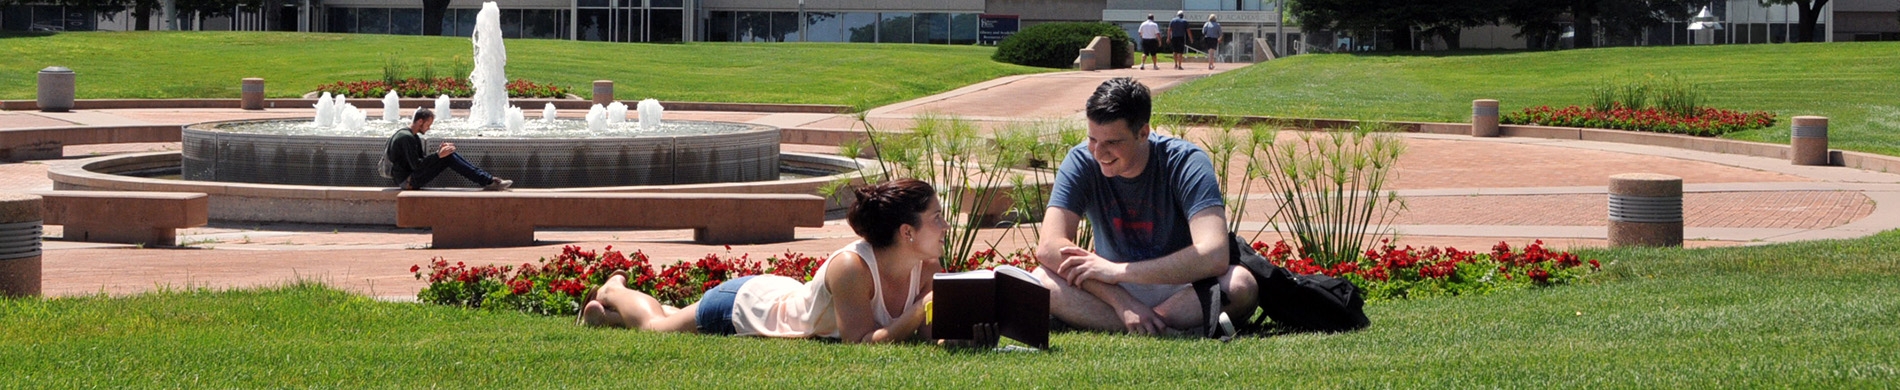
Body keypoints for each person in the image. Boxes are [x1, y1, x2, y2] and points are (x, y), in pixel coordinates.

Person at [581, 179, 980, 345]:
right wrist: (915, 315)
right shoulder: (852, 269)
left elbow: (925, 336)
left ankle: (607, 318)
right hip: (744, 308)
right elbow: (862, 343)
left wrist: (965, 333)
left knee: (672, 314)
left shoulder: (927, 264)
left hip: (781, 294)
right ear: (906, 233)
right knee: (658, 326)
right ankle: (616, 291)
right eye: (936, 218)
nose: (946, 226)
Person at [1034, 77, 1257, 336]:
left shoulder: (1186, 162)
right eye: (1093, 139)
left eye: (1112, 143)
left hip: (1180, 285)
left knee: (1241, 284)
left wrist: (1118, 271)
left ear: (1143, 133)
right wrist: (1123, 302)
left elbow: (1214, 255)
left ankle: (1143, 323)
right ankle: (1151, 326)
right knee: (1041, 281)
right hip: (1113, 288)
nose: (1099, 153)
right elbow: (1049, 246)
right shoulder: (1081, 160)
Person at [384, 108, 512, 191]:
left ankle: (488, 180)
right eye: (428, 125)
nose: (429, 128)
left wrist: (439, 153)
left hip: (409, 177)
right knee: (448, 157)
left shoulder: (413, 136)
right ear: (420, 121)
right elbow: (417, 166)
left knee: (448, 154)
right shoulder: (406, 138)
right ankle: (488, 181)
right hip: (407, 181)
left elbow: (420, 162)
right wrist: (438, 155)